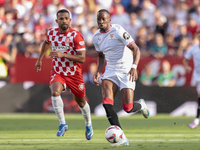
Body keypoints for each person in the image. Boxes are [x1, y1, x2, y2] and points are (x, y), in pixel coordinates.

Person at [92, 9, 150, 147]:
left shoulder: (118, 30)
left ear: (109, 20)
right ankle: (122, 137)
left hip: (126, 70)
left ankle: (140, 105)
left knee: (128, 108)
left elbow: (136, 49)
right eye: (99, 19)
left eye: (103, 19)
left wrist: (134, 67)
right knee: (107, 103)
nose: (101, 22)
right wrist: (98, 71)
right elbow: (100, 56)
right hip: (110, 70)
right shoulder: (96, 37)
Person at [35, 9, 93, 140]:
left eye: (66, 18)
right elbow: (46, 42)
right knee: (55, 92)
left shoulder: (76, 36)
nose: (64, 21)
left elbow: (82, 58)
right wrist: (40, 59)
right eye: (61, 18)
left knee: (81, 102)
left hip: (74, 74)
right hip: (58, 71)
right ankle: (63, 124)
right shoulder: (51, 33)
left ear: (70, 20)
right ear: (57, 21)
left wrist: (63, 54)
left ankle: (88, 124)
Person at [183, 27, 200, 129]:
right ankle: (196, 119)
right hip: (198, 76)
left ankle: (196, 119)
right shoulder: (193, 49)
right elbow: (185, 59)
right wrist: (186, 67)